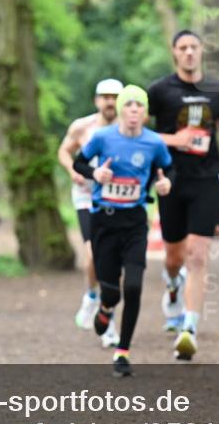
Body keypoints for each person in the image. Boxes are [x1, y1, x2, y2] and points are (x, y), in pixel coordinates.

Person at [148, 29, 219, 360]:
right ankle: (172, 286)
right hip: (171, 180)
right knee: (174, 257)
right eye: (182, 48)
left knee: (198, 255)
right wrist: (176, 140)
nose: (189, 53)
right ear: (174, 53)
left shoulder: (217, 88)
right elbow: (140, 132)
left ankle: (189, 328)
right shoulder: (159, 90)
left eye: (194, 47)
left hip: (206, 180)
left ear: (202, 51)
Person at [72, 85, 173, 377]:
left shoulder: (153, 143)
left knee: (134, 286)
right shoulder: (103, 138)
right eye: (128, 105)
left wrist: (166, 184)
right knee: (113, 291)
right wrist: (95, 174)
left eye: (138, 106)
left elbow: (168, 169)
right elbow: (79, 162)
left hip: (134, 223)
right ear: (120, 110)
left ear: (144, 112)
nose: (133, 111)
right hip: (104, 221)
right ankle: (105, 306)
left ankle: (123, 351)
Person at [58, 78, 124, 347]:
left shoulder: (129, 129)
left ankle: (107, 320)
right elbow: (64, 150)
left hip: (117, 201)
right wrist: (72, 170)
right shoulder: (82, 127)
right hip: (87, 198)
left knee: (114, 264)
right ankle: (92, 295)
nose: (109, 102)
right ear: (97, 100)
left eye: (114, 97)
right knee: (94, 255)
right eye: (105, 97)